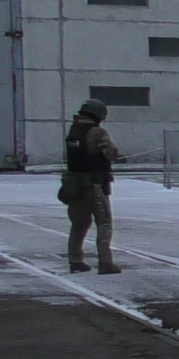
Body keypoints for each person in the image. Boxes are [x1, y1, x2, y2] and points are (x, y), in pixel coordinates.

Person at [61, 97, 121, 274]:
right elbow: (111, 154)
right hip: (95, 185)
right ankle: (105, 262)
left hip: (74, 185)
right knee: (104, 223)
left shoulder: (73, 131)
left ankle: (75, 260)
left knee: (79, 224)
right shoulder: (97, 132)